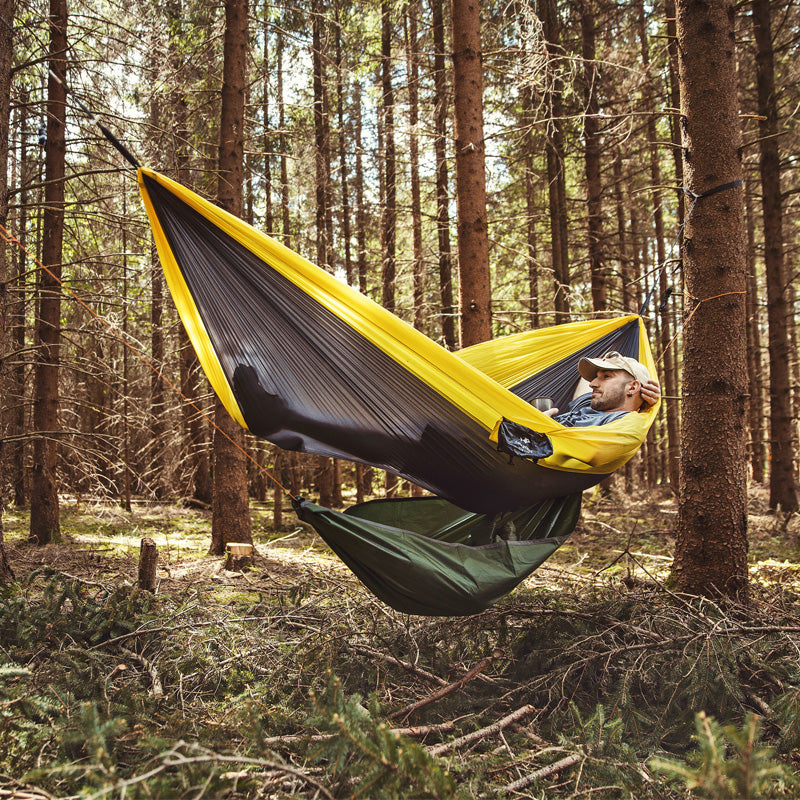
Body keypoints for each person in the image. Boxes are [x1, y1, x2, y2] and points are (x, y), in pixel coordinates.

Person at [544, 351, 661, 428]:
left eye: (606, 376)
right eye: (596, 377)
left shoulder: (618, 423)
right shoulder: (589, 405)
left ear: (632, 387)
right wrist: (609, 357)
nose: (592, 384)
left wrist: (539, 426)